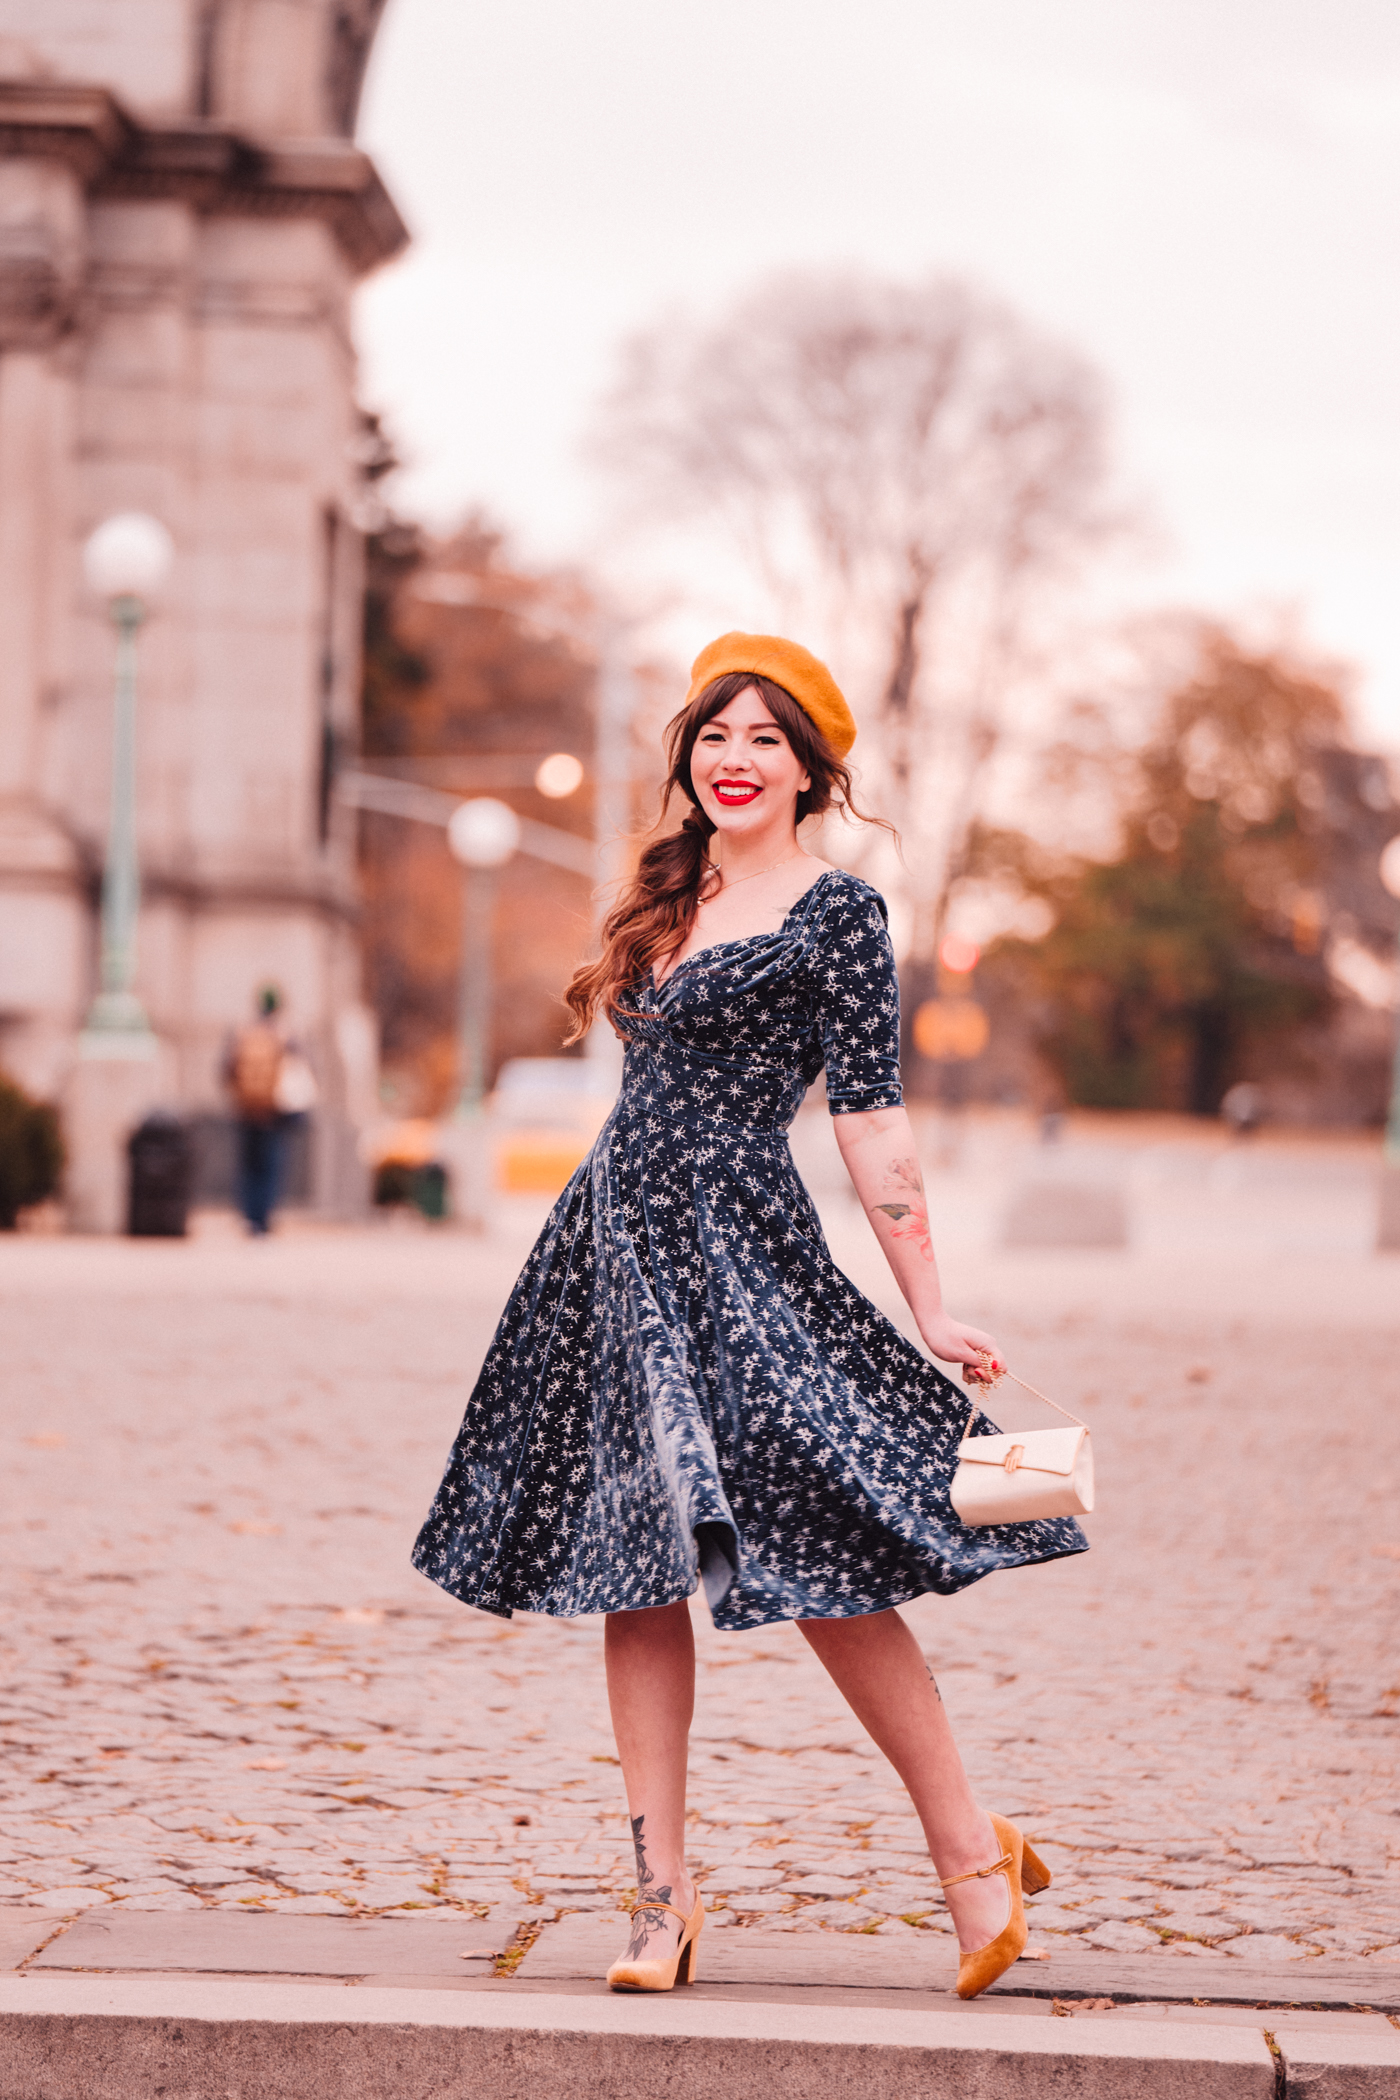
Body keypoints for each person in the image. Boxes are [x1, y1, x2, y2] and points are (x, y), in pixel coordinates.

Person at [412, 634, 1088, 1999]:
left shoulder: (840, 913)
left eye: (766, 738)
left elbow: (872, 1119)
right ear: (689, 756)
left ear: (811, 766)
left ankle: (970, 1853)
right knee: (636, 1565)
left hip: (746, 1252)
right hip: (609, 1252)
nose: (735, 759)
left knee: (823, 1543)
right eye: (716, 735)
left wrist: (932, 1303)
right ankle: (661, 1903)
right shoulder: (666, 898)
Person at [224, 986, 316, 1235]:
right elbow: (301, 1069)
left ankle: (249, 1216)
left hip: (246, 1110)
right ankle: (263, 1219)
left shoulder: (242, 1033)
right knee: (270, 1166)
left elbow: (226, 1069)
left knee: (248, 1166)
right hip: (274, 1112)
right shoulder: (285, 1035)